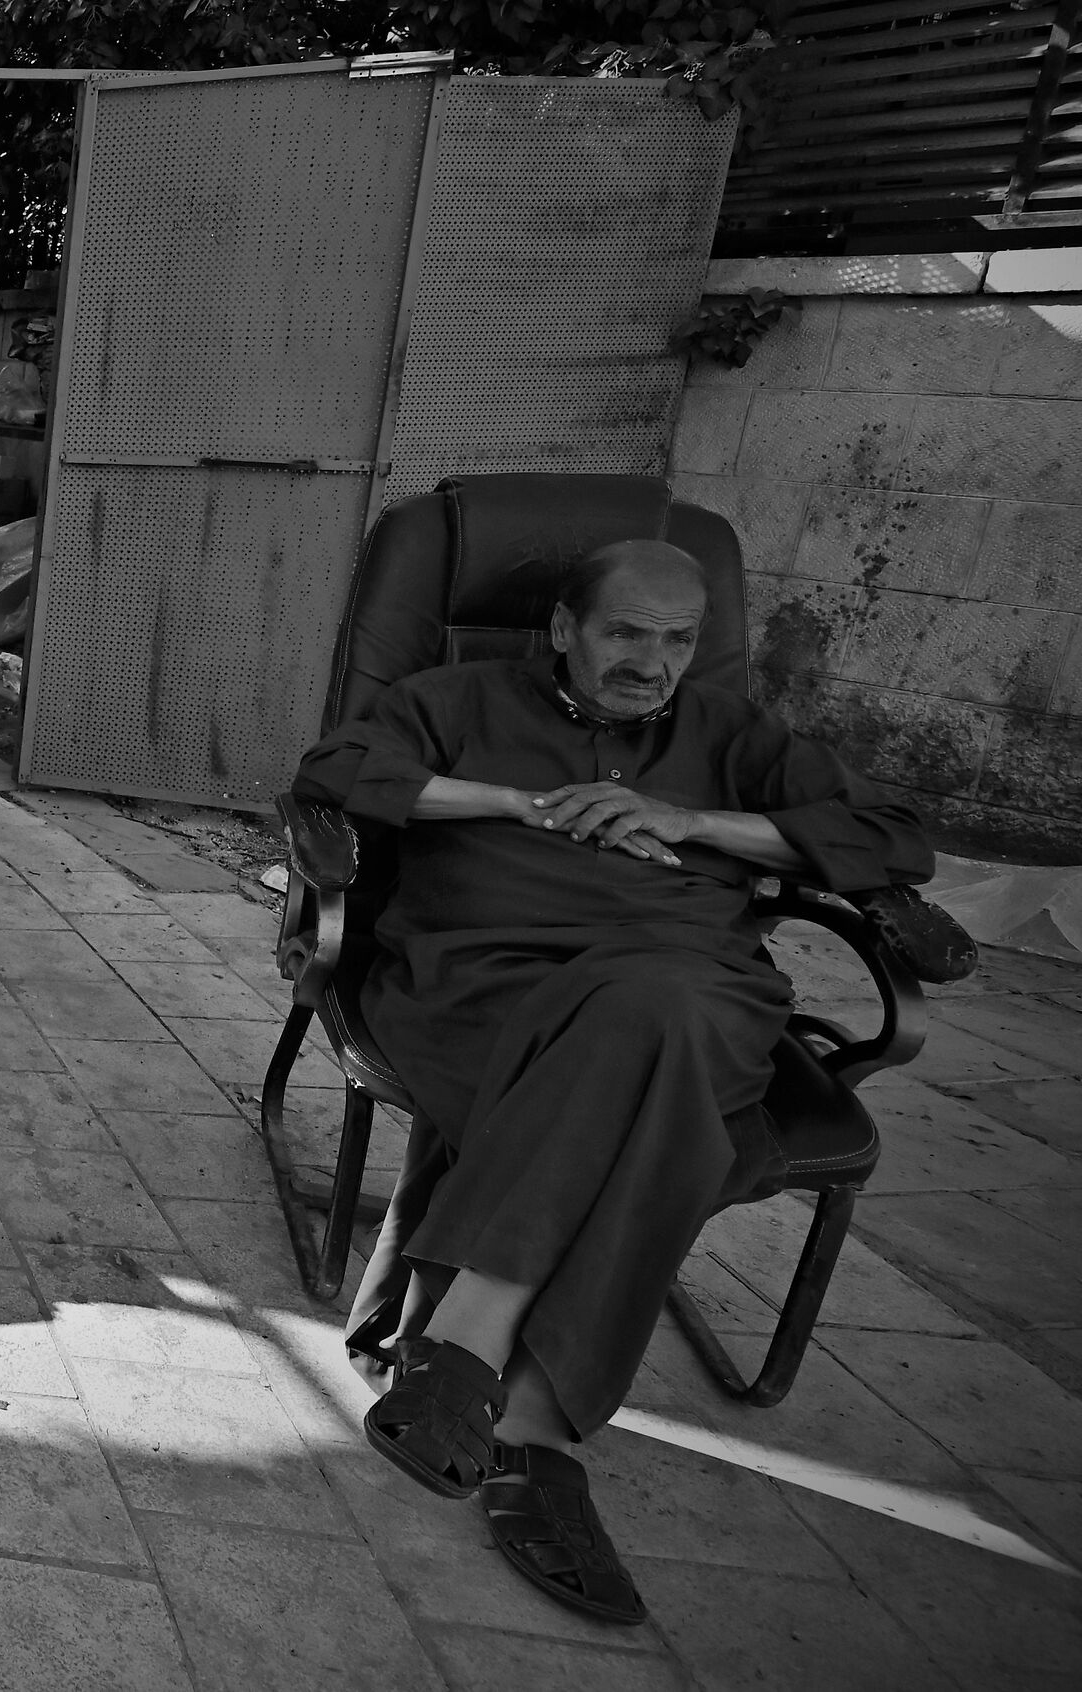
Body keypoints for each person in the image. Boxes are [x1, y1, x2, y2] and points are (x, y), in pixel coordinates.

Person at [290, 538, 934, 1625]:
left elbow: (891, 835)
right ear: (562, 629)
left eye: (680, 639)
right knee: (660, 1083)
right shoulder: (454, 698)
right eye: (627, 632)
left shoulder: (730, 736)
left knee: (656, 1011)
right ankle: (535, 1433)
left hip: (694, 984)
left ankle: (462, 1350)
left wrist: (694, 821)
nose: (655, 661)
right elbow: (335, 776)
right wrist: (513, 802)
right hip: (483, 984)